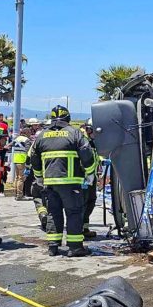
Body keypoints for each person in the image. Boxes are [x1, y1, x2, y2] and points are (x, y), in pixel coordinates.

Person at [29, 105, 96, 257]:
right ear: (68, 118)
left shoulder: (42, 135)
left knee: (53, 213)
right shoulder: (75, 133)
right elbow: (87, 154)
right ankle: (75, 247)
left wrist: (39, 177)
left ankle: (53, 246)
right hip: (71, 183)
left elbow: (34, 158)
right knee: (73, 213)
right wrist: (90, 173)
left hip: (50, 183)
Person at [80, 119, 100, 238]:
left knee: (91, 201)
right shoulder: (83, 142)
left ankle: (85, 227)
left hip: (91, 177)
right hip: (84, 178)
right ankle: (79, 229)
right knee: (83, 203)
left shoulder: (92, 143)